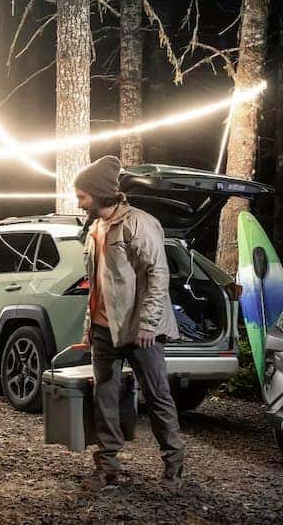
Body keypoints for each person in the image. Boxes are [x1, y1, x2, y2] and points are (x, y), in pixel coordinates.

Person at [75, 155, 185, 490]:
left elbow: (158, 274)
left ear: (99, 194)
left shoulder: (140, 223)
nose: (79, 202)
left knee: (157, 397)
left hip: (141, 331)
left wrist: (149, 324)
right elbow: (96, 283)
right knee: (104, 399)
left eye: (82, 196)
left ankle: (173, 468)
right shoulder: (95, 228)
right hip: (105, 330)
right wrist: (89, 329)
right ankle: (108, 469)